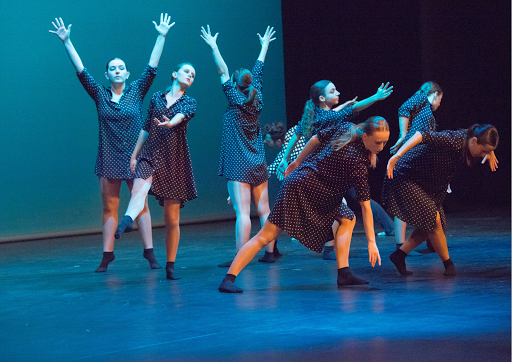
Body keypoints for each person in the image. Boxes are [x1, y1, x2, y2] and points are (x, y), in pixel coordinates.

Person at [49, 14, 173, 272]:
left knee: (141, 206)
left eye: (121, 68)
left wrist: (161, 36)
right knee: (110, 207)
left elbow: (152, 66)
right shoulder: (99, 95)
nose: (117, 71)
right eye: (112, 68)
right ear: (107, 74)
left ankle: (149, 252)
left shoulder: (136, 90)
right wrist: (66, 42)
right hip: (108, 157)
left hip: (136, 157)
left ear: (127, 73)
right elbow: (81, 71)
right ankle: (107, 255)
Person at [218, 116, 391, 293]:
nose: (381, 147)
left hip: (315, 190)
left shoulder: (347, 128)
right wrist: (371, 241)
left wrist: (297, 162)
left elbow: (316, 138)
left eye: (385, 142)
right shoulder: (357, 160)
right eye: (378, 142)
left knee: (348, 218)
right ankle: (228, 279)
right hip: (301, 189)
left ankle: (344, 273)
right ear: (365, 136)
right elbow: (365, 205)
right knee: (266, 235)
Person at [275, 81, 394, 259]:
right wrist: (375, 97)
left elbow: (296, 135)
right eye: (333, 91)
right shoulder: (329, 118)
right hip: (326, 170)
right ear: (322, 98)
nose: (337, 92)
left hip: (323, 167)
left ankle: (385, 227)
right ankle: (331, 249)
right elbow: (354, 110)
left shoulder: (314, 115)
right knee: (345, 205)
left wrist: (286, 157)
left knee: (355, 200)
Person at [201, 24, 278, 266]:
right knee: (264, 210)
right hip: (257, 161)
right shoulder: (258, 96)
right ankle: (269, 253)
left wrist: (214, 46)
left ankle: (239, 257)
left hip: (239, 163)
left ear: (235, 84)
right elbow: (259, 70)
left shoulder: (235, 98)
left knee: (243, 213)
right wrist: (264, 46)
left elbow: (221, 70)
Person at [114, 63, 197, 280]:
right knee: (139, 188)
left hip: (174, 161)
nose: (190, 76)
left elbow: (181, 116)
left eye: (193, 75)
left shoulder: (189, 102)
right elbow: (145, 128)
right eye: (187, 71)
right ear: (174, 74)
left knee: (172, 219)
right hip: (151, 153)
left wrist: (172, 123)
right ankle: (127, 220)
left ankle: (170, 265)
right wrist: (133, 155)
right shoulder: (157, 98)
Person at [384, 125, 499, 277]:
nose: (483, 155)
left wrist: (490, 152)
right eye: (484, 150)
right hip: (406, 175)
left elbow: (483, 130)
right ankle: (448, 264)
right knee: (433, 220)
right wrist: (397, 156)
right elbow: (421, 135)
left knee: (433, 225)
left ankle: (399, 255)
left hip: (428, 182)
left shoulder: (472, 136)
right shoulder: (453, 140)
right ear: (474, 141)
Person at [389, 82, 443, 254]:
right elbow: (403, 108)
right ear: (435, 95)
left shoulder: (423, 111)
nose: (439, 104)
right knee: (405, 200)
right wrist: (402, 136)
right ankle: (401, 246)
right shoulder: (421, 98)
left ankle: (429, 243)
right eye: (440, 99)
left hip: (419, 159)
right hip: (411, 158)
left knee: (427, 198)